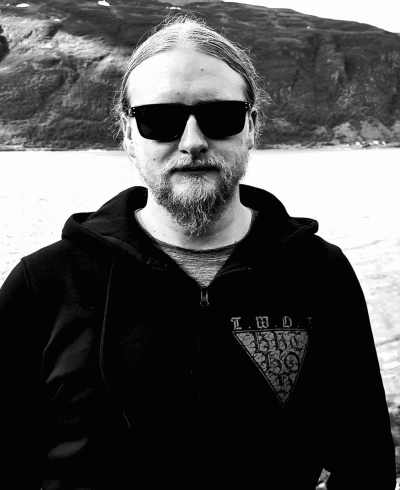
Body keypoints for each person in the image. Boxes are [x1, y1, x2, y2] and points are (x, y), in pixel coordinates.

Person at [0, 16, 395, 490]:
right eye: (160, 119)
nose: (192, 142)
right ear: (128, 133)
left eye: (220, 116)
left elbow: (366, 459)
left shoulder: (319, 270)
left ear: (251, 126)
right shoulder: (44, 283)